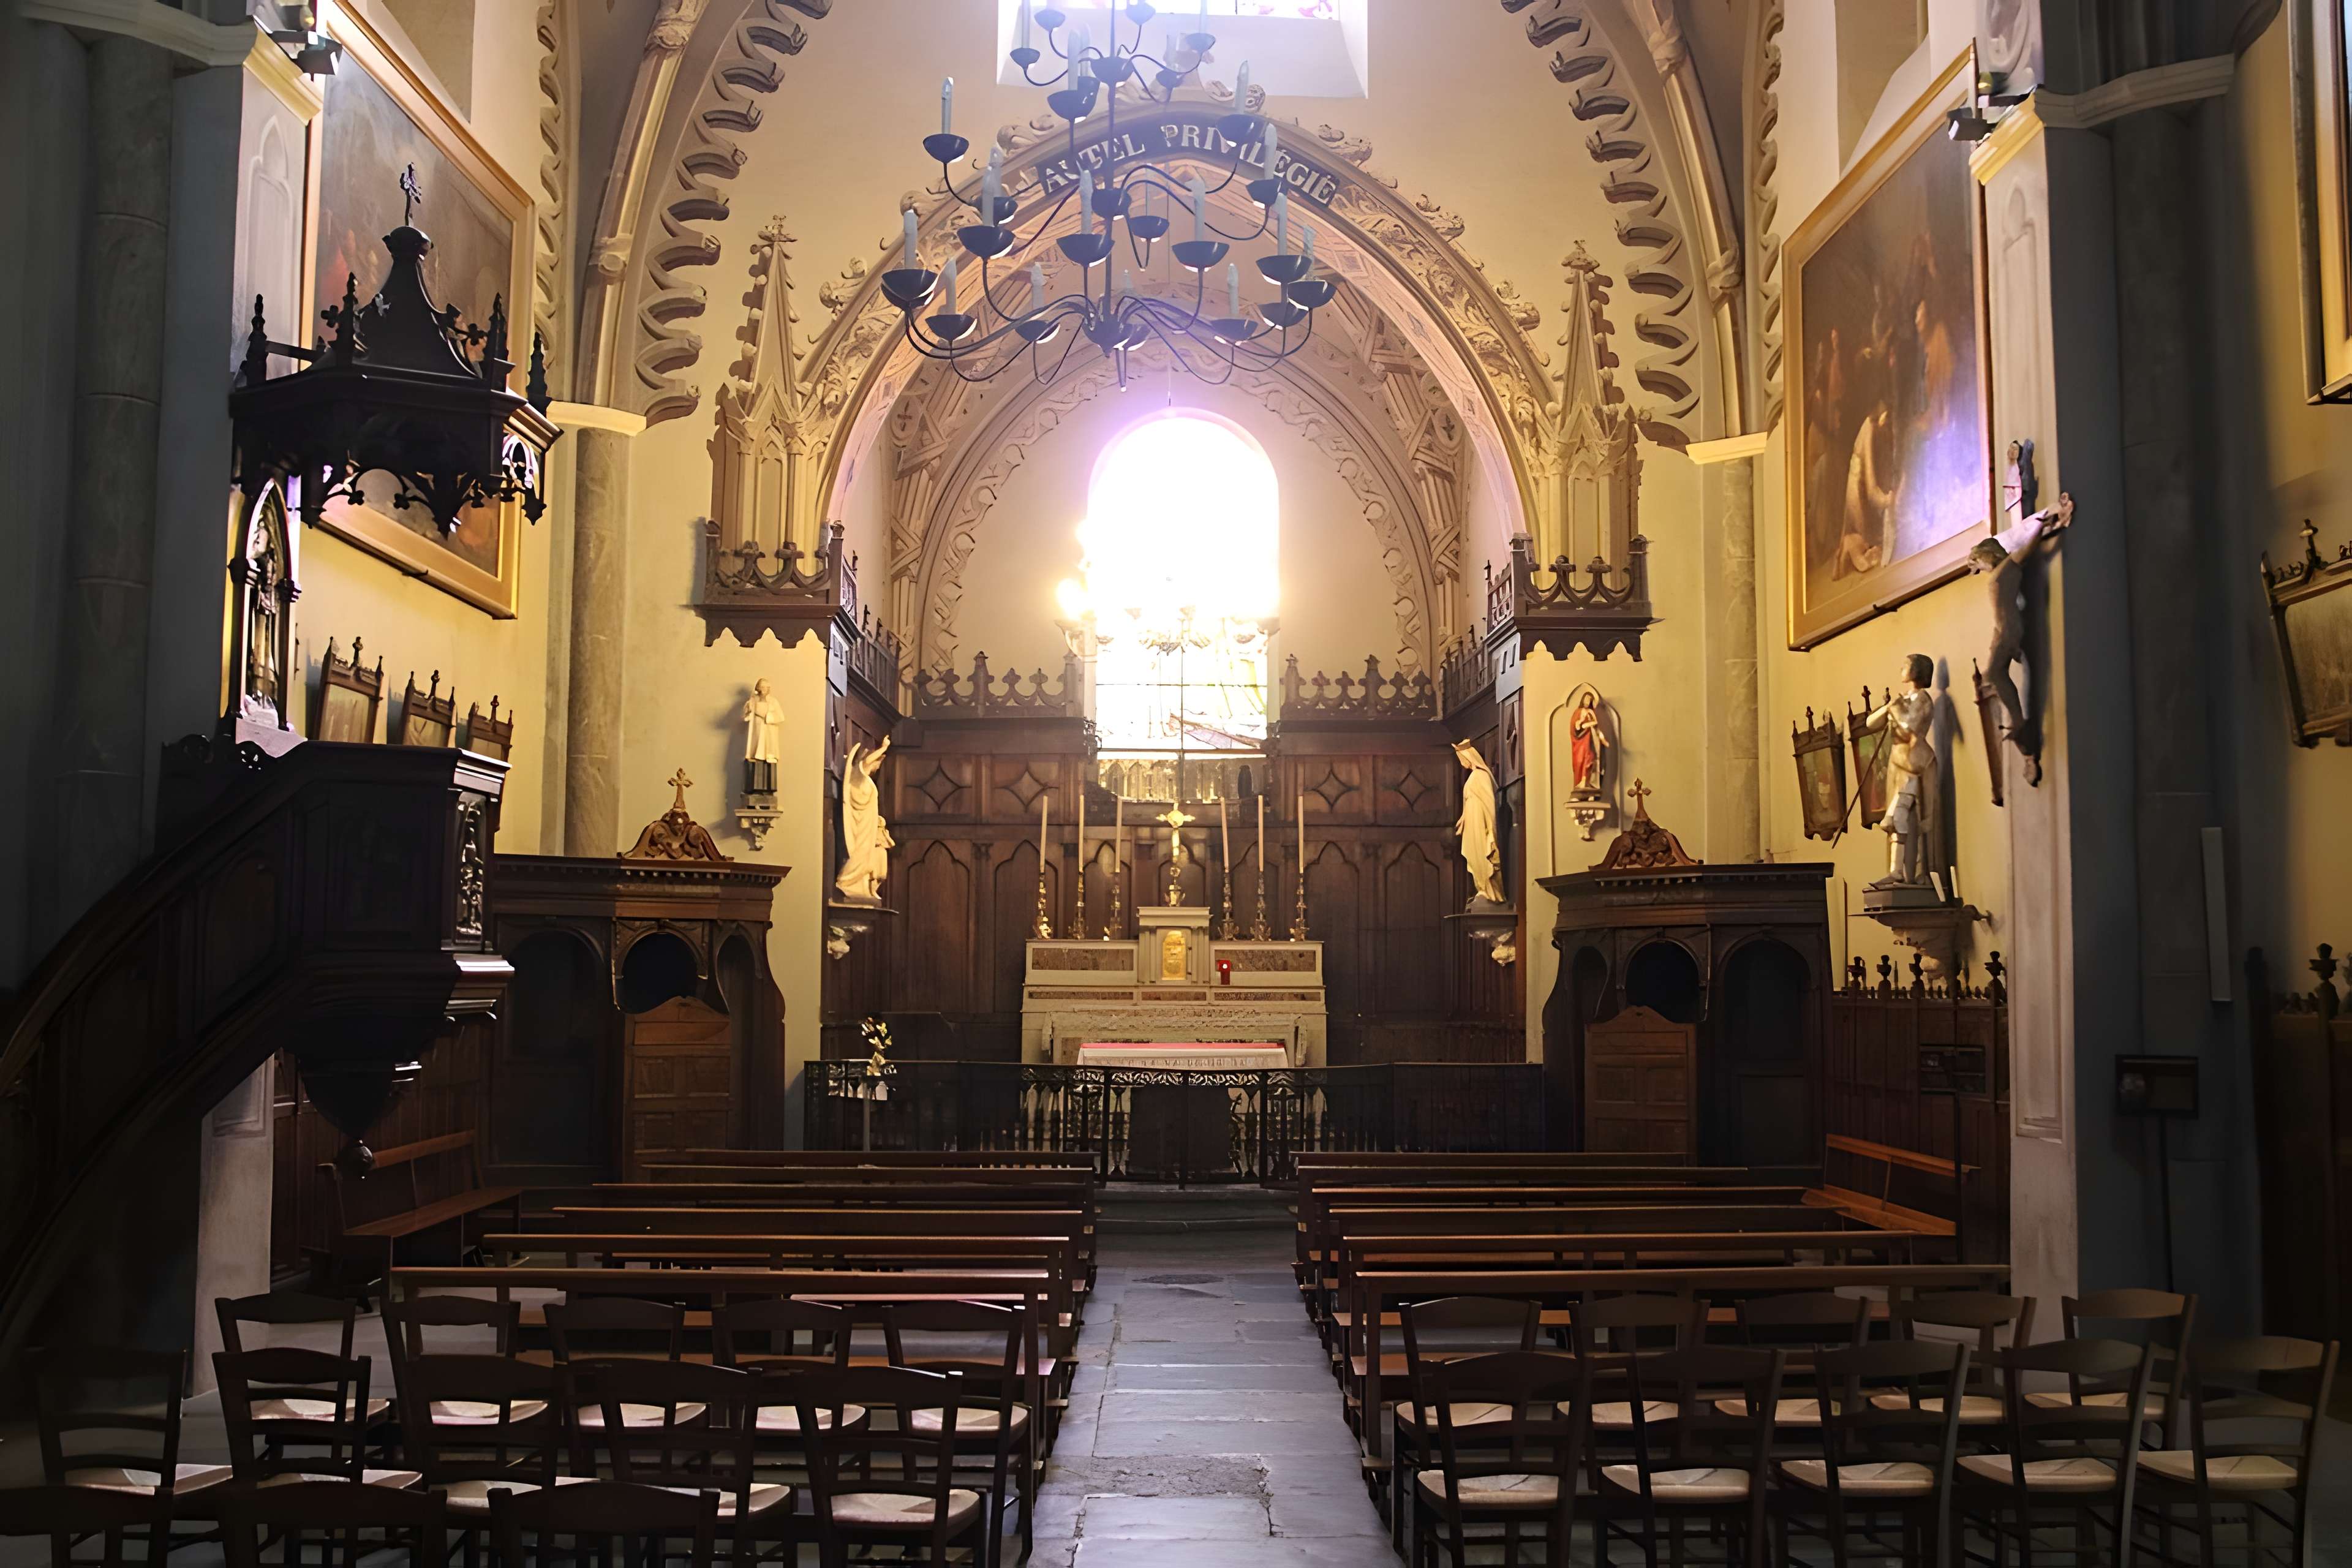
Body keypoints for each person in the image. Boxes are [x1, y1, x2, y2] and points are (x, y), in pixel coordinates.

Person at [1970, 443, 2075, 785]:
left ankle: (2018, 722)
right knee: (1994, 675)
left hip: (2011, 629)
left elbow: (2027, 548)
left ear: (1989, 556)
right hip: (2005, 630)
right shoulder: (2000, 572)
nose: (1979, 568)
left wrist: (2044, 523)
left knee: (1992, 674)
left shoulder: (2009, 566)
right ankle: (2023, 736)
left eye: (1979, 561)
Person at [1867, 655, 1937, 890]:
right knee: (1905, 820)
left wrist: (1895, 711)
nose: (1901, 669)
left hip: (1915, 764)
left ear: (1916, 671)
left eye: (1905, 665)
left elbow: (1911, 728)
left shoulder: (1924, 700)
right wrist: (1888, 707)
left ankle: (1905, 872)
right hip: (1898, 764)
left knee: (1899, 816)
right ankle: (1904, 872)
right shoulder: (1903, 701)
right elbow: (1870, 724)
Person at [834, 737, 893, 902]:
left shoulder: (866, 781)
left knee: (868, 858)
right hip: (861, 826)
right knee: (860, 856)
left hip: (868, 825)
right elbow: (866, 762)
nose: (877, 766)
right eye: (877, 763)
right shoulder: (857, 777)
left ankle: (861, 886)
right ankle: (846, 881)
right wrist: (883, 748)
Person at [1451, 740, 1506, 906]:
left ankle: (1489, 890)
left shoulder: (1480, 776)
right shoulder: (1474, 776)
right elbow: (1468, 801)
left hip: (1480, 822)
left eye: (1462, 758)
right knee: (1474, 858)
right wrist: (1464, 818)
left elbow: (1489, 803)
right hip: (1473, 822)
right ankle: (1482, 888)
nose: (1463, 762)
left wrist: (1491, 828)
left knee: (1481, 854)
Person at [1567, 692, 1607, 797]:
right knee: (1582, 761)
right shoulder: (1578, 712)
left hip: (1593, 741)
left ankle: (1591, 784)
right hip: (1582, 742)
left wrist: (1604, 741)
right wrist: (1583, 722)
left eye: (1589, 700)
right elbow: (1576, 728)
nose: (1587, 702)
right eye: (1586, 699)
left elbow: (1597, 728)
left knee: (1593, 761)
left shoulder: (1591, 712)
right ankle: (1582, 782)